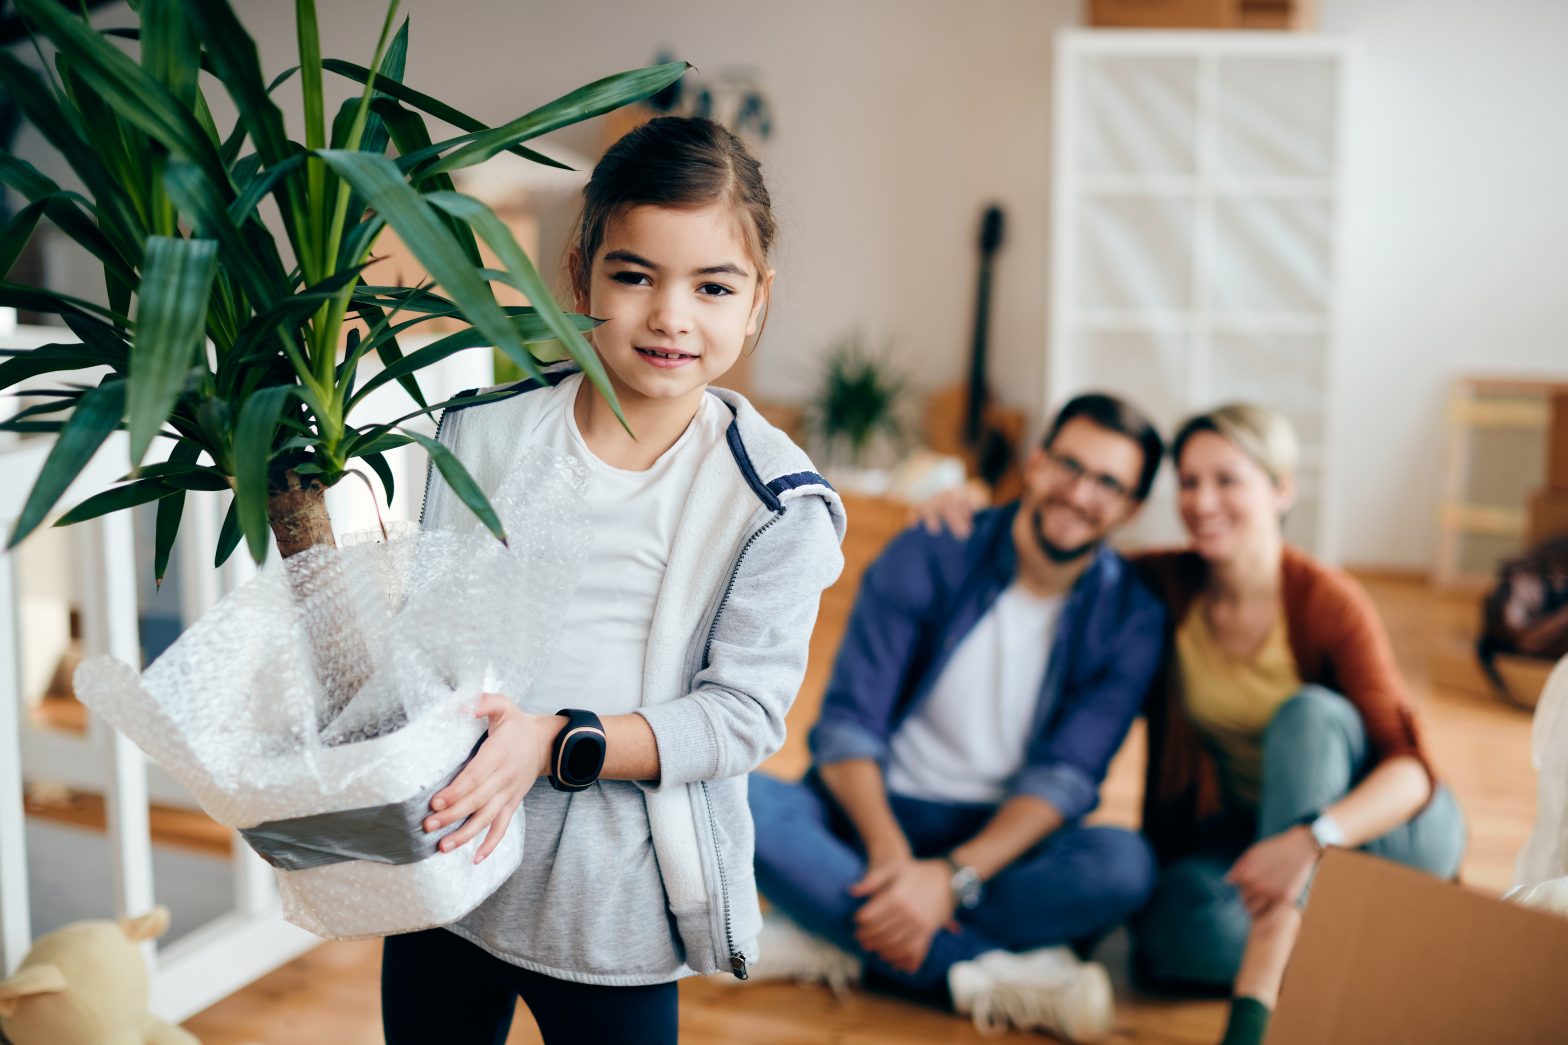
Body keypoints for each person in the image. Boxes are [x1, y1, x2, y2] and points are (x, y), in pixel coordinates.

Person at [380, 117, 845, 1045]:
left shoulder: (778, 502)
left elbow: (741, 715)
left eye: (714, 286)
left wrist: (556, 741)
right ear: (580, 271)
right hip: (448, 863)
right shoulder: (478, 430)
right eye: (634, 276)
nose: (672, 316)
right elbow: (428, 631)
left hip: (614, 896)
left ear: (757, 302)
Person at [915, 403, 1467, 1045]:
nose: (1203, 501)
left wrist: (1312, 837)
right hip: (1255, 842)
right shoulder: (1165, 583)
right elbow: (1066, 539)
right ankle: (1354, 945)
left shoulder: (1327, 602)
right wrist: (968, 507)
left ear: (1281, 490)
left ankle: (1255, 1006)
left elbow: (1410, 771)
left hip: (1380, 834)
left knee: (1308, 716)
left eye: (1227, 480)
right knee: (1170, 935)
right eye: (1189, 481)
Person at [746, 394, 1169, 1042]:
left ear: (1132, 508)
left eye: (1108, 484)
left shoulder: (1131, 618)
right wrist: (893, 855)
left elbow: (1066, 778)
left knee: (1124, 864)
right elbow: (847, 726)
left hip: (1000, 848)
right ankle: (988, 977)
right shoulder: (936, 546)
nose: (1080, 493)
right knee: (737, 798)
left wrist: (950, 878)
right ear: (1035, 461)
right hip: (874, 819)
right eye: (1069, 466)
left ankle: (834, 936)